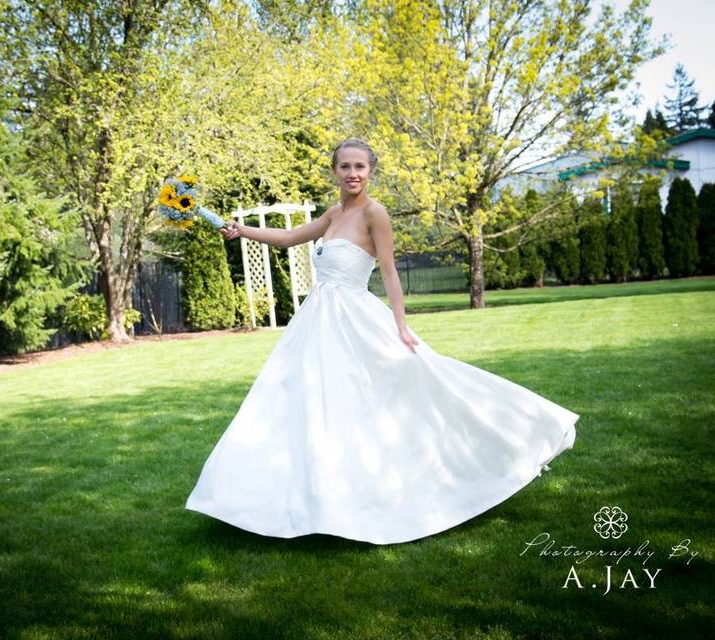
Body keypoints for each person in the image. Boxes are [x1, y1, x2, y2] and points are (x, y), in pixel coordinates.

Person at [184, 137, 579, 545]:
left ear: (370, 171)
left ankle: (503, 442)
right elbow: (289, 238)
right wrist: (241, 230)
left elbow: (388, 271)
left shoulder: (376, 214)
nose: (353, 173)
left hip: (353, 319)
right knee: (305, 402)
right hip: (317, 322)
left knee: (403, 387)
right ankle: (311, 497)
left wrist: (401, 325)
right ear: (334, 172)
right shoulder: (334, 213)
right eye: (345, 167)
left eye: (360, 167)